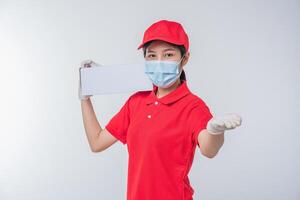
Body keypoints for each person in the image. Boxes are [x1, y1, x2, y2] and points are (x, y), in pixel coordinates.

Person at [79, 19, 242, 200]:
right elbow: (97, 142)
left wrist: (215, 132)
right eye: (151, 56)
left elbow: (209, 150)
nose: (159, 62)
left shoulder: (192, 106)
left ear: (185, 58)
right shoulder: (136, 102)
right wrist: (85, 97)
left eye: (168, 55)